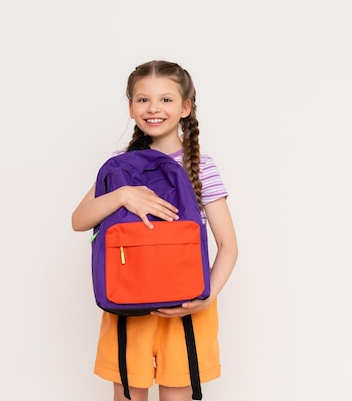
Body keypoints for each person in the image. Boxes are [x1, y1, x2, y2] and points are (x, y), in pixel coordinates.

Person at [72, 60, 238, 401]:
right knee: (128, 395)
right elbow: (79, 220)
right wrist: (123, 195)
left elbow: (228, 245)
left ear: (185, 107)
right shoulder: (119, 166)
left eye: (166, 99)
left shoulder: (202, 167)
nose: (153, 108)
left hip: (186, 306)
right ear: (131, 107)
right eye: (143, 99)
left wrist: (204, 299)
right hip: (128, 301)